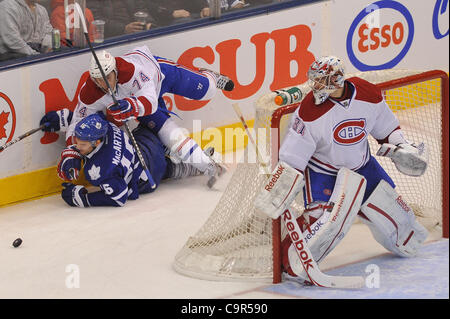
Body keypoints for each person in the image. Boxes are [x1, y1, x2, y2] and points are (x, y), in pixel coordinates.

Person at [255, 56, 429, 283]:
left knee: (405, 229)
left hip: (363, 166)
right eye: (314, 81)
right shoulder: (309, 111)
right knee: (322, 222)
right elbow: (293, 156)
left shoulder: (367, 93)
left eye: (321, 81)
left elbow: (386, 129)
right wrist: (283, 182)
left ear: (336, 80)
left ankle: (402, 234)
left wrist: (401, 146)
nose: (315, 86)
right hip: (324, 171)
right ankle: (290, 262)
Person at [40, 45, 233, 186]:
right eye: (98, 80)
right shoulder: (90, 93)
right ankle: (210, 166)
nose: (103, 83)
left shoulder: (131, 71)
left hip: (159, 75)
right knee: (171, 135)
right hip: (138, 106)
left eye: (107, 77)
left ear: (115, 71)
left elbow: (150, 100)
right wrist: (73, 151)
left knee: (207, 91)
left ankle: (209, 76)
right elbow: (79, 123)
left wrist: (132, 105)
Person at [60, 113, 201, 207]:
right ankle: (177, 151)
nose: (77, 146)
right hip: (147, 143)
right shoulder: (106, 126)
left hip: (149, 175)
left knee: (166, 168)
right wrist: (64, 118)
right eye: (76, 142)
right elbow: (91, 118)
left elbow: (118, 197)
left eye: (82, 145)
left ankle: (187, 166)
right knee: (151, 125)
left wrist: (81, 199)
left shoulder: (99, 171)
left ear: (97, 142)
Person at [88, 0, 155, 38]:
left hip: (136, 35)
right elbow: (96, 20)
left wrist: (148, 23)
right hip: (112, 40)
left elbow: (141, 9)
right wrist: (123, 29)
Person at [145, 0, 210, 27]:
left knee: (214, 15)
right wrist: (171, 13)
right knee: (187, 22)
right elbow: (147, 6)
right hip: (166, 22)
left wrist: (204, 7)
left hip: (191, 15)